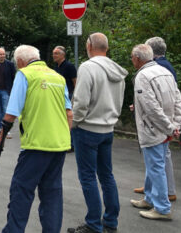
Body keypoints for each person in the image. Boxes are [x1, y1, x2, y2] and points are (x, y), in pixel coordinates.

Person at [0, 45, 72, 233]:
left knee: (21, 190)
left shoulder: (25, 74)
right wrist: (65, 137)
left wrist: (0, 140)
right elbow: (69, 113)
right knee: (52, 193)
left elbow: (10, 114)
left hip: (36, 144)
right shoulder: (58, 77)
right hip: (59, 144)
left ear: (20, 61)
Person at [68, 33, 128, 233]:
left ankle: (93, 224)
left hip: (87, 129)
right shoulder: (117, 70)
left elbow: (81, 102)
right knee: (106, 175)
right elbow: (118, 102)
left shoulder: (87, 67)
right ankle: (110, 221)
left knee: (87, 177)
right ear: (107, 48)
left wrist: (73, 124)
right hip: (108, 129)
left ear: (89, 46)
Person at [129, 44, 181, 221]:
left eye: (132, 57)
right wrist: (175, 125)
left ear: (138, 58)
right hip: (165, 127)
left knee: (155, 167)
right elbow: (177, 99)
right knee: (154, 165)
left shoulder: (142, 76)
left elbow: (151, 108)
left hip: (153, 129)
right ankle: (150, 198)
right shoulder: (164, 71)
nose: (131, 60)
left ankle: (162, 207)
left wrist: (169, 127)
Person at [0, 47, 15, 136]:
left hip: (5, 90)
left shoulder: (10, 64)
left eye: (4, 54)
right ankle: (0, 128)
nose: (2, 56)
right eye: (0, 54)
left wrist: (11, 90)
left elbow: (13, 77)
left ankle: (7, 130)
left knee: (5, 110)